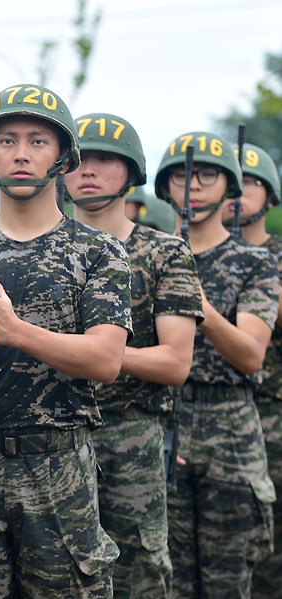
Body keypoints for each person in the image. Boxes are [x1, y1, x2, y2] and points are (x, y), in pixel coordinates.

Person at [0, 83, 132, 599]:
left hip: (59, 466)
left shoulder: (97, 252)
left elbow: (106, 360)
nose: (21, 154)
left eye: (38, 141)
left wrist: (16, 332)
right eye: (7, 140)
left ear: (63, 158)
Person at [65, 112, 203, 599]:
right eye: (80, 159)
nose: (89, 170)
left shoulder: (163, 253)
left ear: (132, 174)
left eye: (107, 160)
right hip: (49, 436)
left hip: (129, 430)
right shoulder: (40, 251)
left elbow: (174, 364)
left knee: (139, 571)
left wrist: (93, 354)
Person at [153, 131, 278, 597]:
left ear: (231, 187)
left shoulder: (254, 261)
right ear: (166, 187)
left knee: (229, 580)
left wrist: (197, 305)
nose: (195, 186)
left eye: (209, 175)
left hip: (230, 426)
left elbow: (250, 355)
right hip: (164, 422)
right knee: (170, 578)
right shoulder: (150, 255)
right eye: (182, 176)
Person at [219, 142, 282, 599]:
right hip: (218, 411)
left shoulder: (274, 256)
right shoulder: (197, 253)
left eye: (254, 184)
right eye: (236, 184)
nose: (240, 194)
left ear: (271, 196)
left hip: (272, 409)